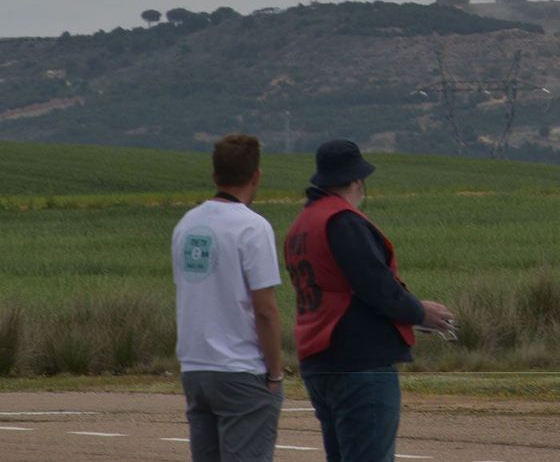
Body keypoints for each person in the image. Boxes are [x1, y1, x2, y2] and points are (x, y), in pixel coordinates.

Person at [284, 139, 456, 462]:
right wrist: (420, 313)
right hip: (358, 365)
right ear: (356, 180)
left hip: (319, 360)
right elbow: (376, 287)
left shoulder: (301, 225)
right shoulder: (342, 221)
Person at [171, 132, 285, 462]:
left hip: (195, 367)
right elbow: (265, 310)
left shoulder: (186, 225)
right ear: (256, 176)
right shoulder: (253, 227)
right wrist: (275, 372)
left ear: (214, 175)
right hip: (240, 368)